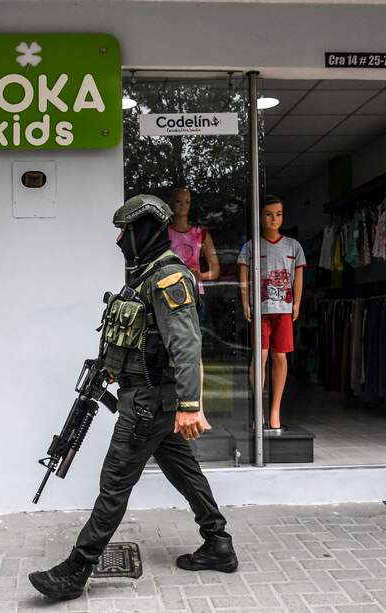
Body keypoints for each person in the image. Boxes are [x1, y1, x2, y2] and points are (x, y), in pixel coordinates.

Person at [29, 195, 238, 601]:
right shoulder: (145, 277)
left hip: (148, 403)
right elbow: (145, 340)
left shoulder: (168, 279)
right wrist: (114, 367)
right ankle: (218, 542)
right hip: (147, 398)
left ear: (144, 230)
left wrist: (190, 406)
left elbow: (186, 346)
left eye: (125, 230)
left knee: (115, 481)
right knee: (184, 472)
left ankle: (77, 568)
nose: (120, 239)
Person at [237, 195, 306, 430]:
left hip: (284, 311)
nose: (273, 219)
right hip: (261, 310)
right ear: (260, 216)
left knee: (280, 356)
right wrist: (245, 302)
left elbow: (298, 276)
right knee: (260, 356)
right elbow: (244, 277)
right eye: (268, 214)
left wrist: (297, 303)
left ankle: (275, 410)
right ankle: (259, 410)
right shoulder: (251, 246)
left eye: (278, 214)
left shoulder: (293, 246)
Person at [168, 187, 220, 293]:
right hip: (170, 290)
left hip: (194, 292)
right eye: (178, 201)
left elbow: (215, 271)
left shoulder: (201, 235)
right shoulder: (164, 233)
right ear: (171, 203)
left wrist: (200, 276)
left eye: (187, 202)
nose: (183, 205)